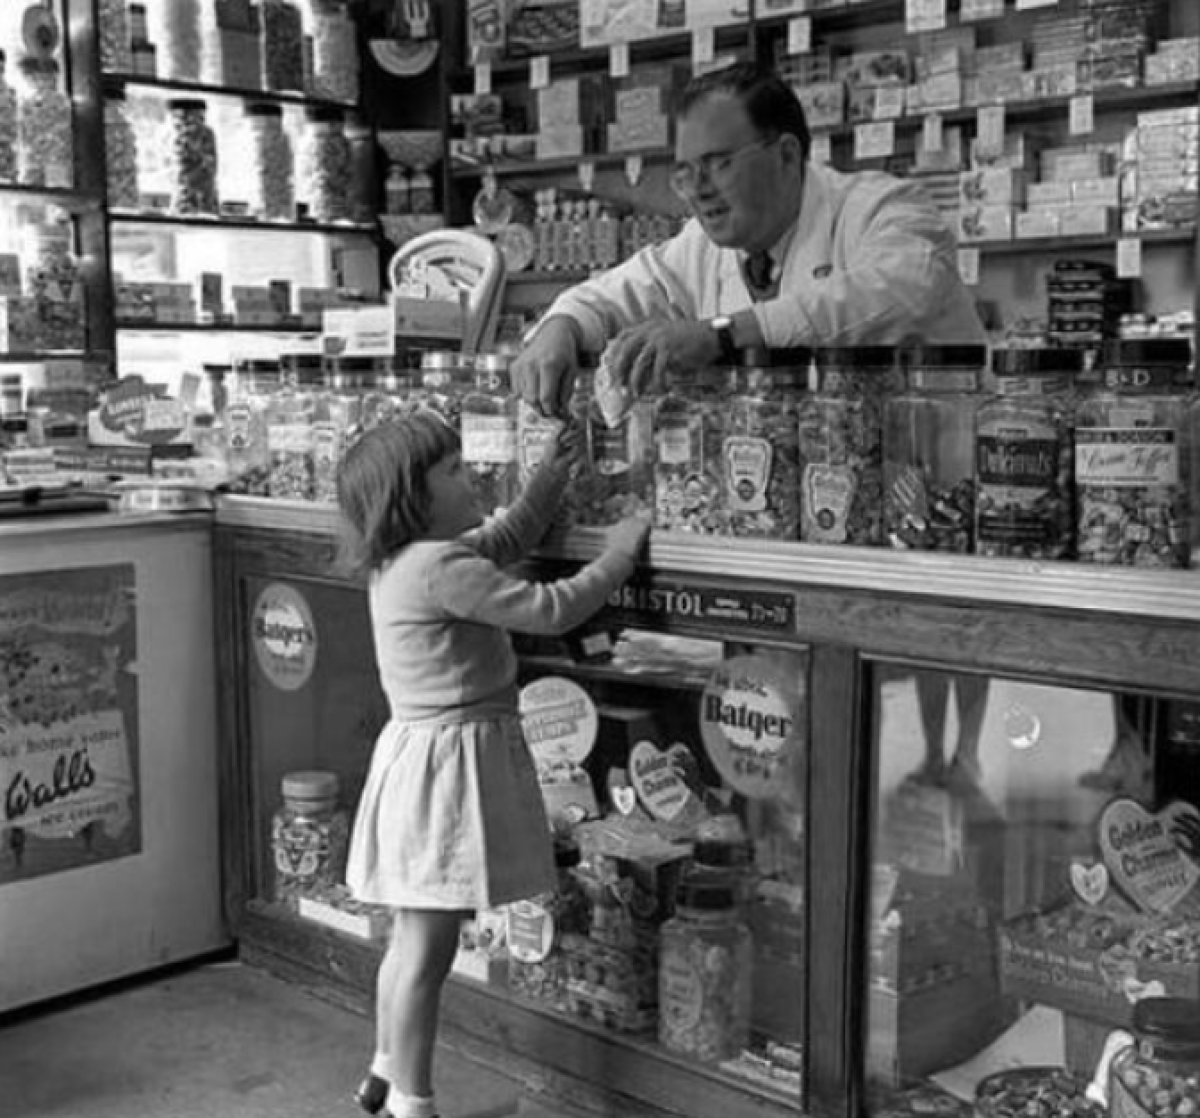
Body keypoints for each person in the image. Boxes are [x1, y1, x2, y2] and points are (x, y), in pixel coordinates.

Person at [336, 410, 649, 1118]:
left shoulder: (406, 560)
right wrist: (620, 555)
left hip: (416, 761)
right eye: (450, 470)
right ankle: (414, 1104)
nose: (470, 472)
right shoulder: (440, 567)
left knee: (408, 938)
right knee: (429, 953)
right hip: (446, 773)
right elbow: (552, 607)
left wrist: (546, 477)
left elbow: (502, 539)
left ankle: (382, 1071)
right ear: (411, 499)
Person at [513, 61, 985, 417]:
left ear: (785, 155)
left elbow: (898, 291)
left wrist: (724, 334)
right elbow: (610, 294)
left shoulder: (884, 209)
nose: (698, 188)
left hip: (934, 495)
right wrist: (562, 325)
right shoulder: (699, 245)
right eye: (685, 171)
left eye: (719, 163)